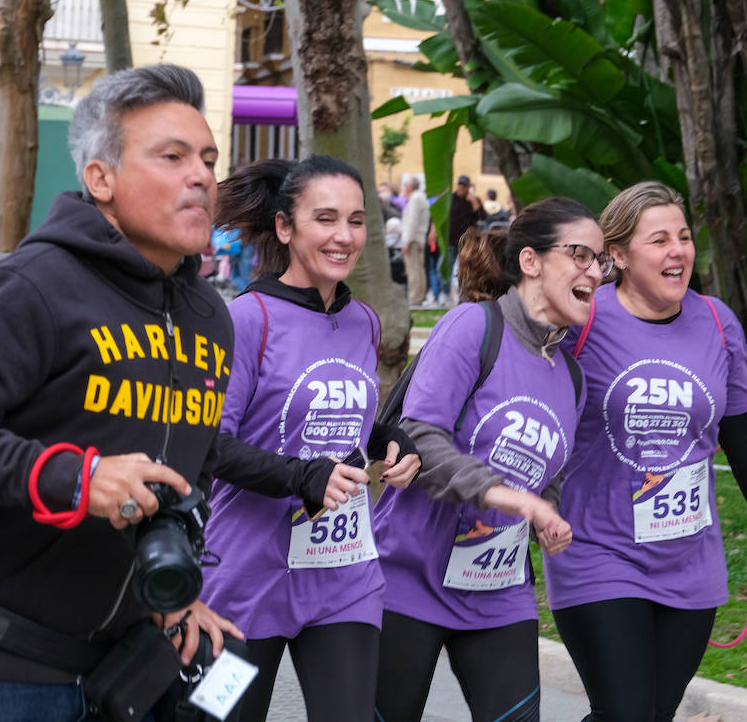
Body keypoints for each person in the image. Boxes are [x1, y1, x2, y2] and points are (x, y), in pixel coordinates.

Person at [0, 65, 248, 720]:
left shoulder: (210, 317)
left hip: (116, 674)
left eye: (209, 159)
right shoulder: (35, 284)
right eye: (172, 156)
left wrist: (178, 582)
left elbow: (192, 460)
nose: (202, 176)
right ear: (100, 178)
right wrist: (78, 480)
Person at [543, 181, 747, 722]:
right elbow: (519, 390)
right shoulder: (584, 321)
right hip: (598, 552)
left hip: (689, 560)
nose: (677, 251)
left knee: (653, 712)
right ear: (616, 255)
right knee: (628, 711)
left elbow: (742, 435)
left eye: (683, 237)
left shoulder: (716, 322)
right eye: (659, 239)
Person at [203, 156, 421, 722]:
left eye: (355, 221)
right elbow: (211, 447)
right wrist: (304, 477)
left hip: (342, 575)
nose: (344, 237)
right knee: (213, 718)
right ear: (284, 227)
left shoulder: (364, 322)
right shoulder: (249, 319)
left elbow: (337, 414)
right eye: (325, 219)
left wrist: (389, 440)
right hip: (245, 580)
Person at [372, 197, 606, 722]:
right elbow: (421, 439)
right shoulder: (473, 328)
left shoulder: (572, 377)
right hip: (409, 579)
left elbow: (553, 471)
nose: (596, 271)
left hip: (498, 593)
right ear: (531, 261)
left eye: (601, 260)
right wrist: (507, 496)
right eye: (581, 255)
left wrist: (547, 514)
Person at [446, 175, 481, 301]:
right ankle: (447, 293)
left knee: (463, 269)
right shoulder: (451, 198)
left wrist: (474, 203)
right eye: (459, 185)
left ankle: (461, 295)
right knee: (447, 267)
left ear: (468, 187)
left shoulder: (473, 200)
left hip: (467, 242)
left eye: (464, 185)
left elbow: (482, 218)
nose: (461, 187)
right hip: (451, 240)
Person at [400, 174, 430, 306]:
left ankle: (415, 298)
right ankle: (420, 296)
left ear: (410, 186)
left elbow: (412, 221)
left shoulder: (415, 199)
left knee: (413, 270)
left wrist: (406, 241)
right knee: (419, 269)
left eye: (405, 185)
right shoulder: (420, 197)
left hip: (413, 239)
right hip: (418, 238)